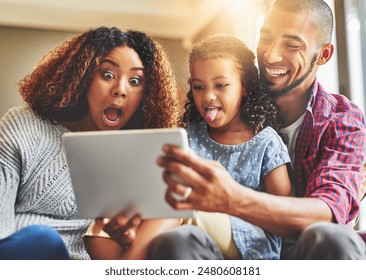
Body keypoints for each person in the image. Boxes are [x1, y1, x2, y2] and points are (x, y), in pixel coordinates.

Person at [150, 0, 366, 259]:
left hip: (299, 252)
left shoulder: (342, 121)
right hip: (224, 253)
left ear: (324, 55)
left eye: (292, 45)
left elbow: (329, 213)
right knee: (177, 241)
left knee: (330, 236)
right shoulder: (232, 105)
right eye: (266, 37)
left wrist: (232, 199)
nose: (271, 55)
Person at [0, 26, 179, 260]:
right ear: (83, 77)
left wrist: (127, 239)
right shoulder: (23, 126)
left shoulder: (140, 158)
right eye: (107, 75)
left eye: (135, 81)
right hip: (20, 255)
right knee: (43, 238)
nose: (120, 90)